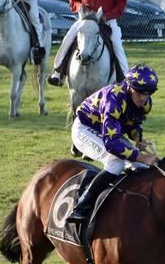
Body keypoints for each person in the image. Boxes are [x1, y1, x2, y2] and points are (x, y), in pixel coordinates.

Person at [67, 65, 160, 224]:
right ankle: (80, 207)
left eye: (148, 93)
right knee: (116, 162)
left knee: (143, 168)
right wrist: (140, 157)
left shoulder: (145, 104)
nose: (143, 98)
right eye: (139, 92)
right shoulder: (114, 98)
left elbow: (131, 124)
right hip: (85, 129)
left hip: (108, 132)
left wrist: (138, 138)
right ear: (129, 87)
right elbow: (111, 143)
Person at [49, 0, 129, 87]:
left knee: (116, 43)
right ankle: (58, 72)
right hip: (85, 21)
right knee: (69, 38)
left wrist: (107, 15)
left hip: (106, 22)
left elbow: (121, 3)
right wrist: (80, 6)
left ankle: (125, 78)